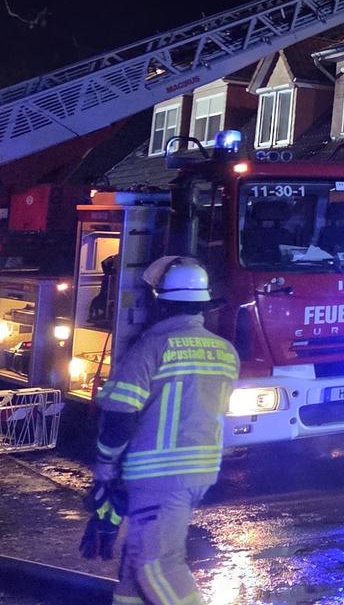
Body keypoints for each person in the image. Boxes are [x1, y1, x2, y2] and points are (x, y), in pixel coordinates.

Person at [92, 256, 237, 605]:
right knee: (133, 571)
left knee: (155, 564)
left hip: (158, 475)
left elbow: (120, 414)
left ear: (161, 302)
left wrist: (106, 465)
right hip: (200, 471)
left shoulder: (151, 348)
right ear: (203, 304)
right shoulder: (225, 351)